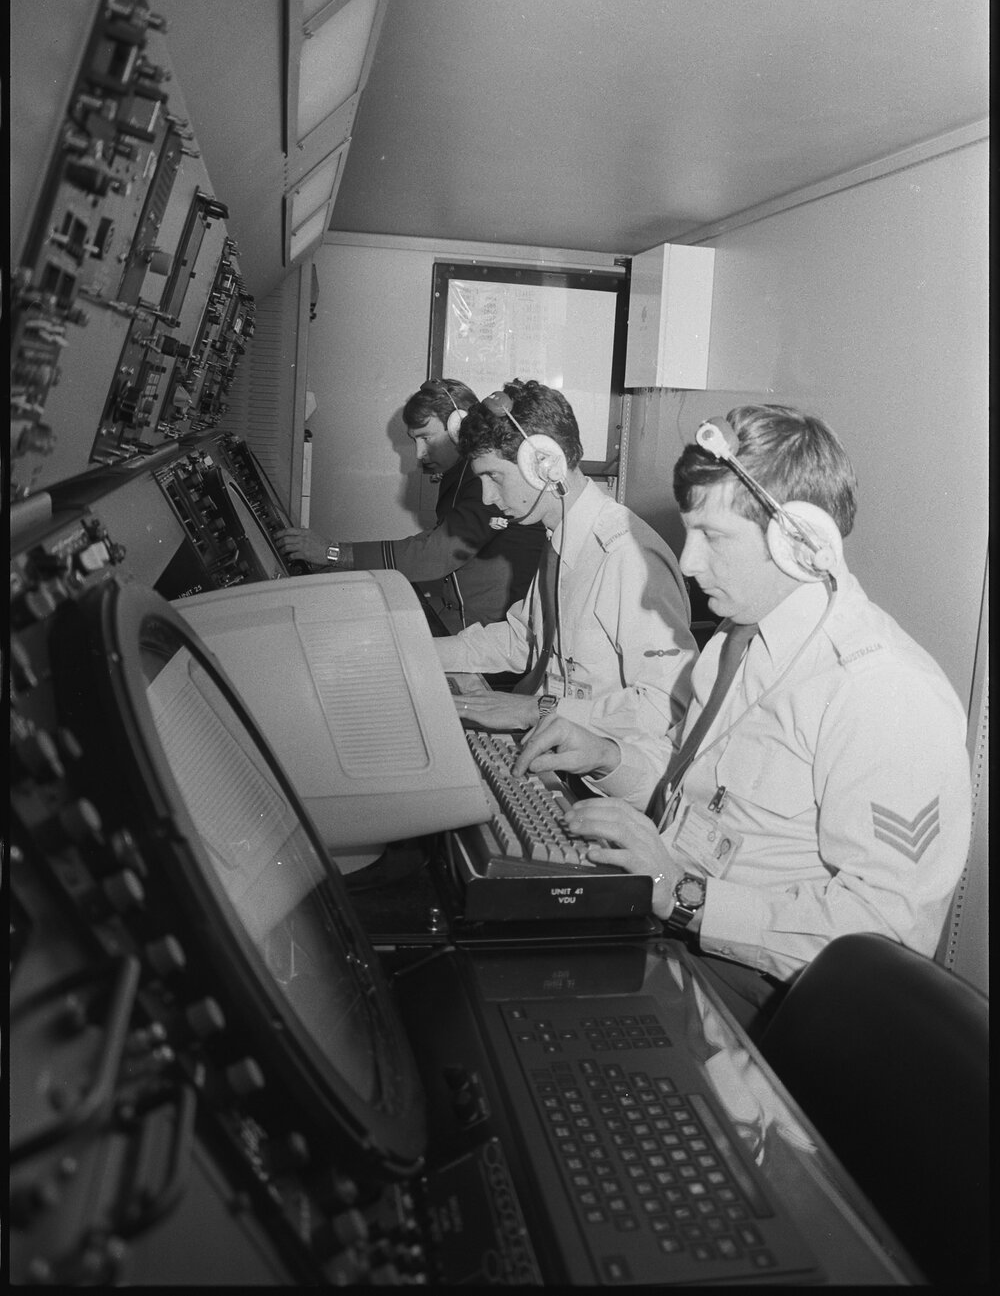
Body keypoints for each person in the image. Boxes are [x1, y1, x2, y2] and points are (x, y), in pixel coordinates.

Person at [513, 404, 972, 1037]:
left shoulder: (883, 693)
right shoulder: (741, 639)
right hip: (682, 943)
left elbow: (884, 938)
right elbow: (693, 801)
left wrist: (682, 892)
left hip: (774, 1006)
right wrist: (608, 758)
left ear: (800, 539)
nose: (689, 563)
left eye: (713, 537)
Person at [436, 379, 698, 767]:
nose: (488, 497)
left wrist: (532, 710)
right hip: (553, 743)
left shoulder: (626, 556)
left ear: (545, 464)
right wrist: (420, 652)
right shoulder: (562, 535)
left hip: (601, 770)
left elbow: (666, 706)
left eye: (494, 477)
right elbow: (525, 640)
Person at [275, 379, 545, 635]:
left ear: (459, 428)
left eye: (426, 438)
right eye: (414, 440)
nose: (419, 454)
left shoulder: (486, 483)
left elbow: (434, 554)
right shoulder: (462, 477)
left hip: (493, 641)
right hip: (467, 621)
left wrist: (332, 553)